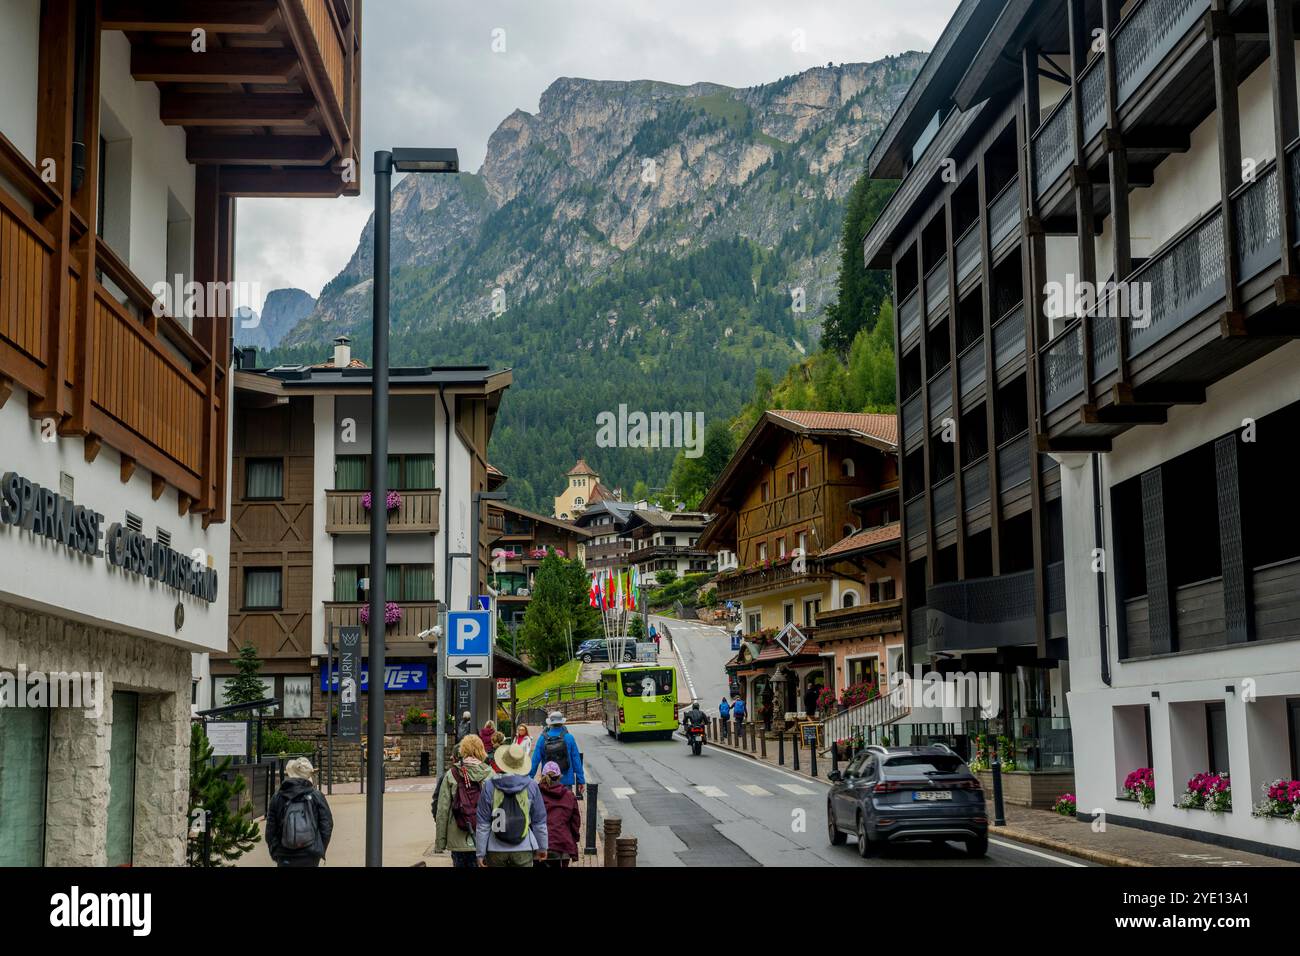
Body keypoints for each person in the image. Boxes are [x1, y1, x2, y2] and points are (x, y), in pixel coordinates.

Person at [475, 743, 548, 867]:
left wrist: (480, 853)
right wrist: (542, 847)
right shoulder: (531, 785)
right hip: (523, 847)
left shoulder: (489, 785)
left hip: (495, 848)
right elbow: (539, 821)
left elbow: (483, 823)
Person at [434, 735, 495, 868]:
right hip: (483, 838)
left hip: (457, 839)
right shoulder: (490, 774)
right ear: (481, 750)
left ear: (463, 750)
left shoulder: (452, 774)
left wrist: (440, 842)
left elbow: (442, 811)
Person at [265, 758, 333, 868]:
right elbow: (327, 825)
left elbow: (270, 830)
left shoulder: (277, 797)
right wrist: (319, 848)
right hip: (311, 854)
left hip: (284, 854)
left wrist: (275, 851)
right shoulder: (316, 796)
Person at [536, 761, 582, 868]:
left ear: (542, 776)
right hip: (562, 843)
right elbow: (575, 822)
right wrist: (573, 839)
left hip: (538, 843)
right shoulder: (569, 795)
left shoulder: (535, 793)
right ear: (559, 777)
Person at [529, 711, 585, 797]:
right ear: (562, 723)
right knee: (567, 806)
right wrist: (581, 780)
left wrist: (529, 779)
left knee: (548, 807)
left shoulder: (542, 739)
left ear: (550, 723)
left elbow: (535, 761)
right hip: (566, 780)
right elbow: (576, 760)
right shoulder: (569, 738)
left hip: (548, 781)